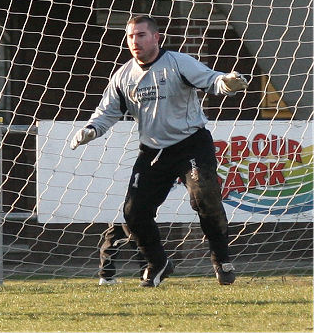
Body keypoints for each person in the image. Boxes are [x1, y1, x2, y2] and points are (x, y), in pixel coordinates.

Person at [70, 15, 248, 287]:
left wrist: (228, 83)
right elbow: (106, 112)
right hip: (153, 151)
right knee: (134, 212)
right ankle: (158, 263)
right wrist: (91, 130)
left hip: (191, 144)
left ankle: (222, 260)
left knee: (205, 198)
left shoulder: (178, 62)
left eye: (141, 35)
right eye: (130, 36)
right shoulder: (123, 75)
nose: (135, 41)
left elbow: (213, 81)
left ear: (156, 37)